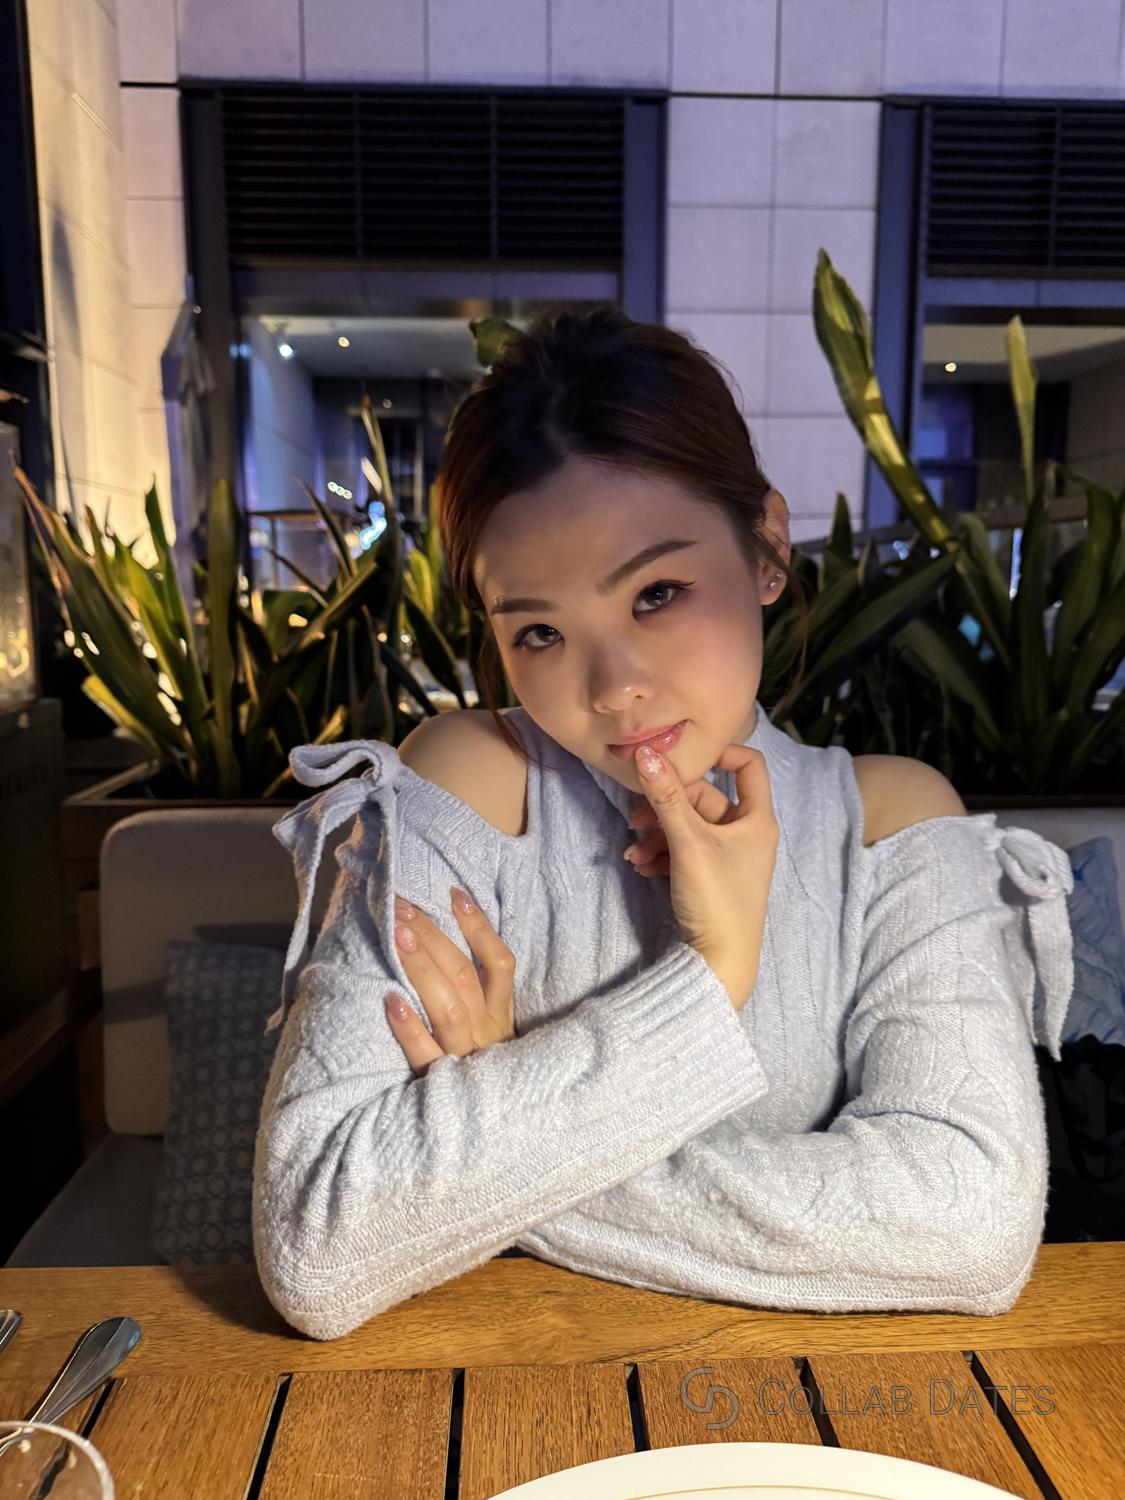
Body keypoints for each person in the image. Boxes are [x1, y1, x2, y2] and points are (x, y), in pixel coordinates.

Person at [252, 304, 1076, 1343]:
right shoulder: (473, 783)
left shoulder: (890, 823)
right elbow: (316, 1244)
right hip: (507, 1389)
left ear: (766, 546)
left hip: (837, 1409)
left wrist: (499, 1119)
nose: (611, 689)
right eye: (539, 631)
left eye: (657, 593)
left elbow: (971, 1224)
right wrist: (712, 976)